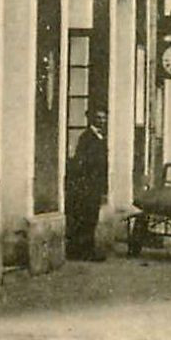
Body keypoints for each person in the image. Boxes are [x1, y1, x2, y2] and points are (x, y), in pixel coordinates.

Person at [66, 107, 108, 260]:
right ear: (91, 119)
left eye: (104, 118)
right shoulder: (87, 137)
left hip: (95, 184)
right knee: (86, 218)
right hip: (87, 184)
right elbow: (82, 161)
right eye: (98, 118)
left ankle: (88, 250)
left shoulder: (100, 137)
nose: (102, 121)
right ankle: (83, 252)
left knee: (92, 218)